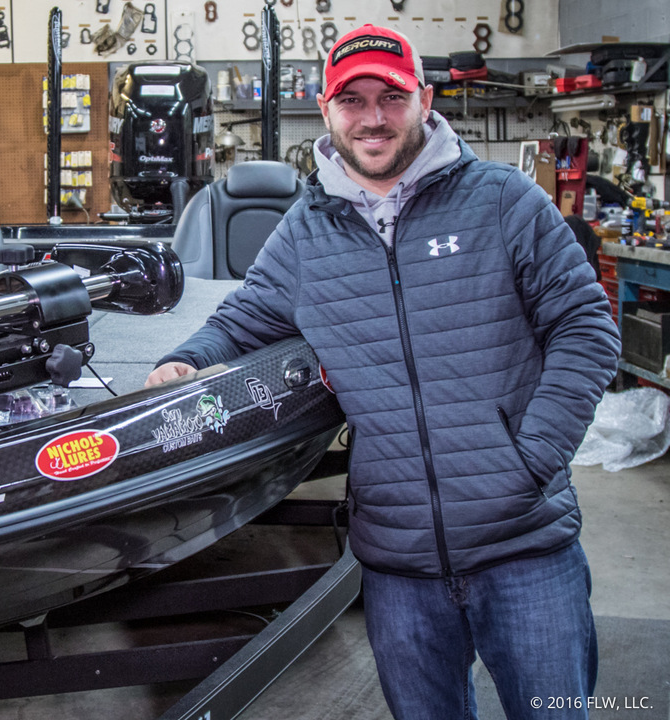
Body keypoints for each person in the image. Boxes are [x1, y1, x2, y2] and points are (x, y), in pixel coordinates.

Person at [146, 24, 620, 720]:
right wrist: (182, 360)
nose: (373, 117)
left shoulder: (503, 202)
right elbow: (244, 319)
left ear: (424, 99)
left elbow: (587, 329)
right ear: (327, 108)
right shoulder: (306, 232)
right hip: (399, 567)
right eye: (353, 99)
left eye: (391, 97)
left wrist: (531, 461)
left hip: (525, 550)